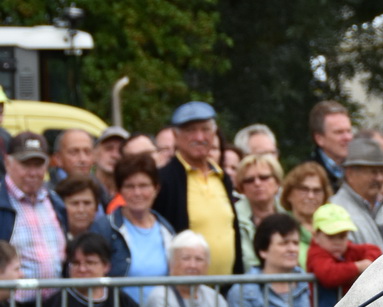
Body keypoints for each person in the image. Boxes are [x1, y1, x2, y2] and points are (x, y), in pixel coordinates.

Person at [154, 101, 243, 276]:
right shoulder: (164, 179)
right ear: (175, 136)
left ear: (214, 133)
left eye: (205, 129)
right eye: (191, 130)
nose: (200, 137)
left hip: (226, 289)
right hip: (186, 289)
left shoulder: (222, 177)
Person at [93, 153, 175, 288]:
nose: (137, 193)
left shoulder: (166, 229)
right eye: (129, 186)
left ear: (156, 188)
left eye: (143, 186)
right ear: (120, 190)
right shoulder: (104, 229)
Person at [0, 132, 67, 293]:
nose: (33, 173)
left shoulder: (55, 201)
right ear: (8, 163)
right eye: (25, 165)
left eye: (38, 165)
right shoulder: (2, 202)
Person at [305, 202, 382, 307]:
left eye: (342, 236)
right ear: (315, 236)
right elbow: (328, 273)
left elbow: (373, 249)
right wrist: (358, 267)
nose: (337, 242)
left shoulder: (347, 249)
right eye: (331, 236)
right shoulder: (316, 254)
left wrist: (368, 261)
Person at [330, 135, 383, 246]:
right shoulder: (334, 211)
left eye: (382, 172)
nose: (380, 178)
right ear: (350, 174)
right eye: (373, 172)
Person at [233, 153, 285, 270]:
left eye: (264, 177)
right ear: (242, 188)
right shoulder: (232, 217)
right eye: (249, 180)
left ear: (277, 182)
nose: (257, 183)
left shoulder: (288, 216)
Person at [280, 161, 331, 264]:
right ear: (289, 193)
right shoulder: (280, 227)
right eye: (304, 189)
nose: (310, 196)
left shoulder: (334, 226)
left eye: (317, 191)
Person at [309, 100, 354, 186]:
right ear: (319, 139)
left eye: (349, 131)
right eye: (339, 132)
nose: (347, 138)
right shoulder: (308, 176)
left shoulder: (360, 170)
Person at [92, 127, 127, 204]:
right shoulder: (84, 189)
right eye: (108, 148)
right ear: (94, 154)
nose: (115, 155)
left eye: (121, 150)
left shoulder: (133, 193)